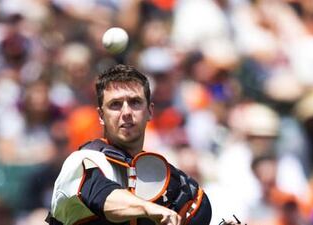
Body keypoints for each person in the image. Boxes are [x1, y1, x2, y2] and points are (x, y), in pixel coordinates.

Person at [47, 64, 212, 225]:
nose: (126, 112)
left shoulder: (158, 173)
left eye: (135, 102)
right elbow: (102, 196)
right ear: (101, 115)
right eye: (115, 105)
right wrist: (149, 209)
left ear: (150, 111)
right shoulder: (83, 160)